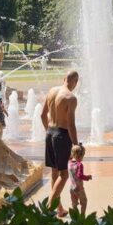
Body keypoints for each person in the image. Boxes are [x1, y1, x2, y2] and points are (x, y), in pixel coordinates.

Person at [41, 70, 79, 217]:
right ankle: (49, 207)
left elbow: (42, 115)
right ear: (75, 81)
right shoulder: (71, 98)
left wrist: (48, 132)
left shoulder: (51, 91)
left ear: (64, 79)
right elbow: (71, 124)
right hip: (62, 136)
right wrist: (76, 145)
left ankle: (59, 209)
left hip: (50, 132)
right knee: (64, 175)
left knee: (54, 173)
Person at [67, 143, 92, 214]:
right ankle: (82, 216)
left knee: (74, 204)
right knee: (84, 202)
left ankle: (75, 217)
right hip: (79, 188)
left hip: (71, 188)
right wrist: (87, 177)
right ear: (81, 156)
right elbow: (79, 175)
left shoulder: (69, 163)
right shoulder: (79, 164)